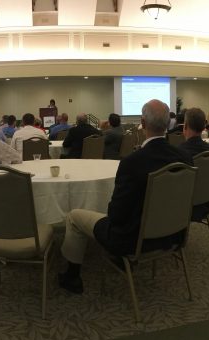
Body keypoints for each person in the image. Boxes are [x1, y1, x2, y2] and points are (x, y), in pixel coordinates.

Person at [57, 99, 192, 294]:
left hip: (131, 240)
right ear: (166, 124)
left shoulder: (132, 162)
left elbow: (116, 216)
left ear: (143, 123)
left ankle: (72, 277)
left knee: (73, 216)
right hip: (173, 235)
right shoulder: (185, 158)